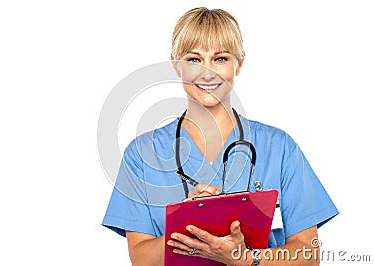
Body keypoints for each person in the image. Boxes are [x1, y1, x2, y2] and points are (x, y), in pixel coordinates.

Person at [102, 7, 338, 265]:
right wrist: (185, 221)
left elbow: (308, 254)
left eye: (220, 58)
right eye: (194, 60)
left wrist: (245, 259)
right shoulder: (142, 154)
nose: (207, 73)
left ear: (239, 64)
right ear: (175, 65)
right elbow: (141, 259)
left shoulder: (279, 148)